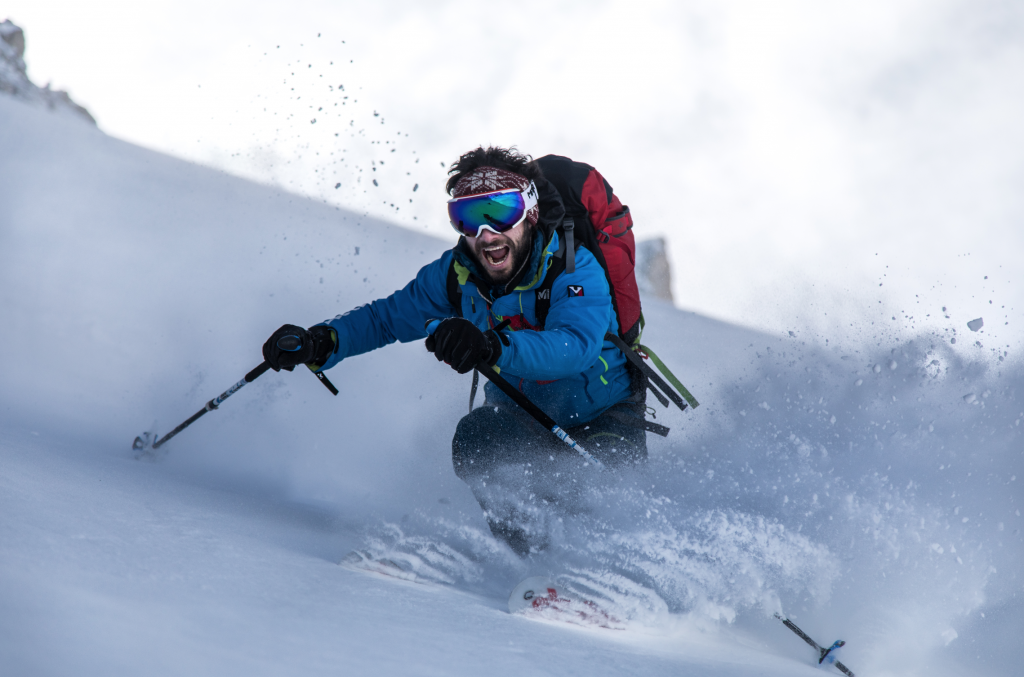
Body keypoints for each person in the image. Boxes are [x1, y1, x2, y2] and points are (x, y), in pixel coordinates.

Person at [262, 147, 647, 556]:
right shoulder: (455, 275)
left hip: (604, 414)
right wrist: (322, 341)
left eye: (500, 213)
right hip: (522, 417)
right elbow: (386, 319)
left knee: (601, 496)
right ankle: (523, 559)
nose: (486, 235)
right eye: (467, 218)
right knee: (475, 441)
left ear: (530, 213)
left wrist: (491, 345)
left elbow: (575, 347)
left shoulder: (572, 267)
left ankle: (603, 576)